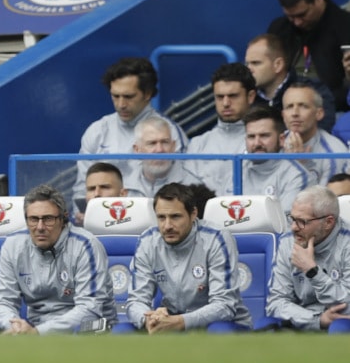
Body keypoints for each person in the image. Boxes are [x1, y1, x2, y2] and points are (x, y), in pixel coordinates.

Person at [123, 183, 252, 333]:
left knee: (218, 330)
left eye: (175, 217)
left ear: (193, 214)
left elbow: (224, 305)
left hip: (222, 325)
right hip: (171, 322)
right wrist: (148, 319)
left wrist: (181, 321)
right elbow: (136, 301)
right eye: (161, 217)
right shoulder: (148, 241)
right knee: (122, 331)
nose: (167, 226)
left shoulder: (216, 238)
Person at [0, 184, 117, 334]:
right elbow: (2, 300)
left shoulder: (86, 245)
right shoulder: (13, 245)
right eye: (33, 219)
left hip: (86, 330)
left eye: (48, 219)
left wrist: (38, 332)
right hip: (33, 328)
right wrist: (15, 327)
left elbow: (90, 309)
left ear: (63, 219)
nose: (40, 227)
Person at [73, 57, 188, 202]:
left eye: (128, 96)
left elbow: (180, 189)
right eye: (115, 96)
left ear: (147, 94)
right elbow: (82, 189)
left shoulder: (170, 133)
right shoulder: (97, 131)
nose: (121, 104)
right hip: (104, 213)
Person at [263, 186, 350, 332]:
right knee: (266, 325)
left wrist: (312, 272)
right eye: (292, 219)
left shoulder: (347, 243)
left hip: (342, 322)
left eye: (302, 221)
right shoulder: (288, 241)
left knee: (340, 327)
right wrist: (316, 320)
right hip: (304, 318)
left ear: (328, 222)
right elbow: (276, 303)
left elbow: (347, 306)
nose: (293, 227)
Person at [267, 0, 350, 111]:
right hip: (282, 109)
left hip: (333, 109)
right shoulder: (279, 29)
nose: (297, 22)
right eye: (290, 17)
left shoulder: (346, 26)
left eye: (302, 15)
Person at [187, 63, 256, 196]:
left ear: (250, 96)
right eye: (219, 97)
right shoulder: (197, 145)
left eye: (233, 96)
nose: (225, 103)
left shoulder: (263, 142)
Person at [245, 33, 335, 131]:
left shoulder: (313, 89)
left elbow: (322, 128)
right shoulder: (245, 95)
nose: (249, 69)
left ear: (278, 65)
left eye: (256, 63)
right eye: (247, 64)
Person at [242, 105, 311, 214]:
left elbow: (285, 222)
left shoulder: (297, 176)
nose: (257, 143)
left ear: (282, 139)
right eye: (251, 137)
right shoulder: (236, 172)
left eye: (264, 136)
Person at [282, 81, 349, 186]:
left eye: (303, 106)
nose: (295, 113)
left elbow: (326, 196)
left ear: (319, 114)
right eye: (289, 106)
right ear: (283, 115)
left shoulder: (334, 153)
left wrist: (300, 167)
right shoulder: (271, 143)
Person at [123, 116, 202, 198]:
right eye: (152, 143)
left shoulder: (194, 186)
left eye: (165, 142)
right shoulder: (124, 185)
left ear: (173, 147)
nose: (159, 149)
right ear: (137, 150)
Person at [74, 161, 128, 227]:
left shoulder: (136, 224)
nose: (97, 194)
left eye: (104, 187)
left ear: (122, 194)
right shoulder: (75, 228)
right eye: (91, 189)